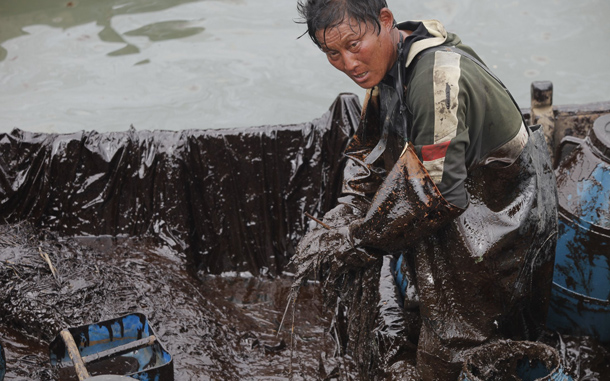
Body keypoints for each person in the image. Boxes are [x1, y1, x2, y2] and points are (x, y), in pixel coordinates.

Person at [291, 0, 559, 379]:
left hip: (502, 231)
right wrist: (344, 215)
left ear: (385, 20)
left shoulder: (437, 78)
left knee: (449, 360)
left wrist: (358, 240)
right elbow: (370, 159)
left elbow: (438, 191)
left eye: (354, 45)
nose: (348, 63)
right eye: (332, 53)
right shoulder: (385, 69)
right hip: (457, 218)